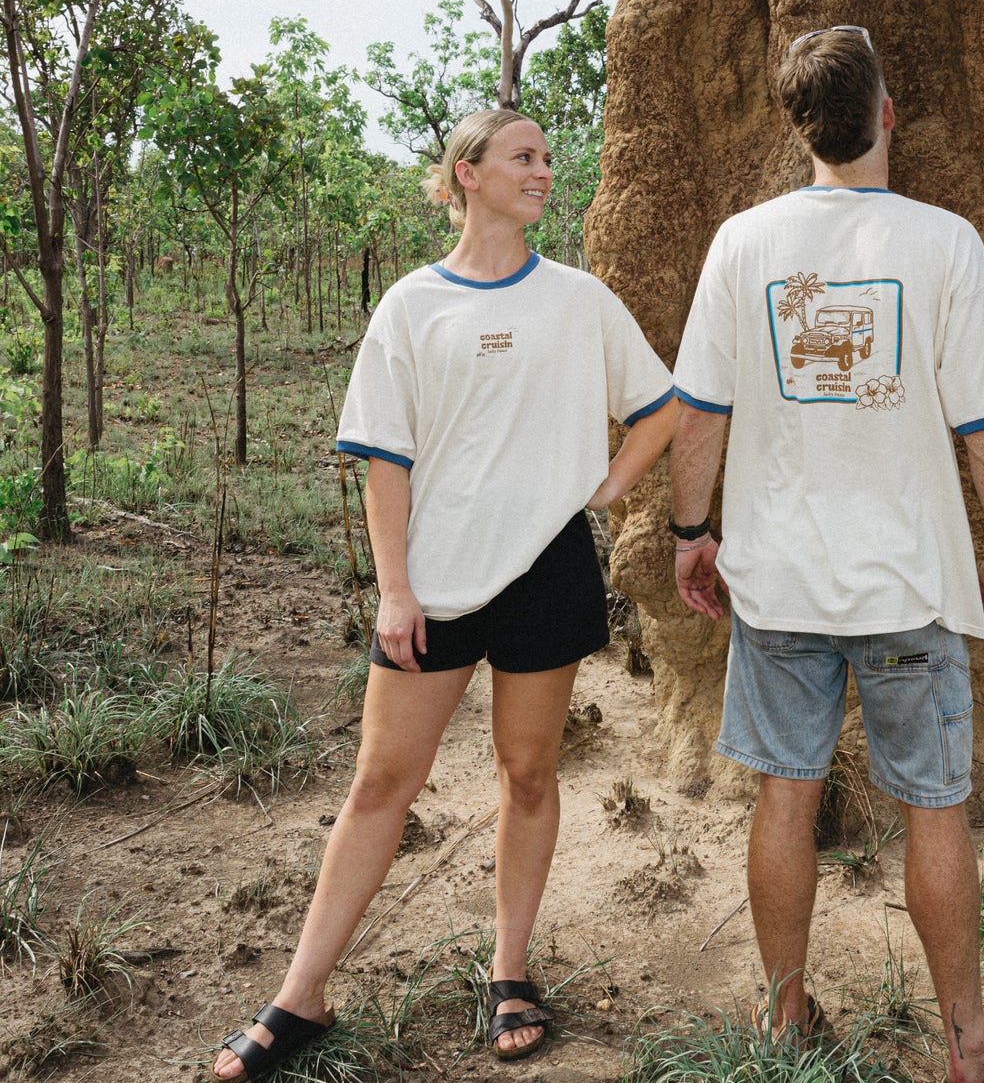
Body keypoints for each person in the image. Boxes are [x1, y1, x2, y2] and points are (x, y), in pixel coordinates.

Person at [213, 109, 677, 1081]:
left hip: (547, 569)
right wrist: (395, 588)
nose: (544, 170)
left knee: (528, 775)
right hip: (432, 579)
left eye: (548, 156)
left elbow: (661, 399)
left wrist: (606, 482)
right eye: (523, 156)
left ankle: (510, 969)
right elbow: (387, 459)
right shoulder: (412, 305)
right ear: (467, 173)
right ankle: (301, 991)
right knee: (382, 781)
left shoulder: (579, 299)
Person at [668, 27, 984, 1083]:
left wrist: (693, 532)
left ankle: (784, 1017)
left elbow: (700, 406)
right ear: (884, 113)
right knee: (933, 804)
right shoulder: (942, 242)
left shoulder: (743, 242)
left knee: (784, 792)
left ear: (797, 128)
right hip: (910, 578)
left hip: (776, 576)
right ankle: (966, 1041)